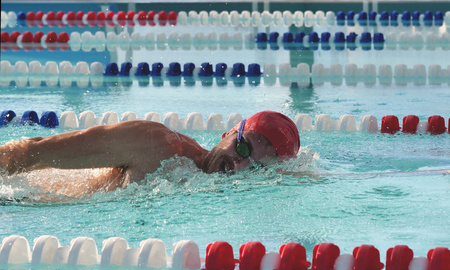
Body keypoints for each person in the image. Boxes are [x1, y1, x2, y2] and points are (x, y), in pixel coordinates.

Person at [0, 111, 300, 197]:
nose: (239, 164)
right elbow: (33, 152)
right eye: (243, 146)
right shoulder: (157, 145)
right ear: (228, 134)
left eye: (256, 168)